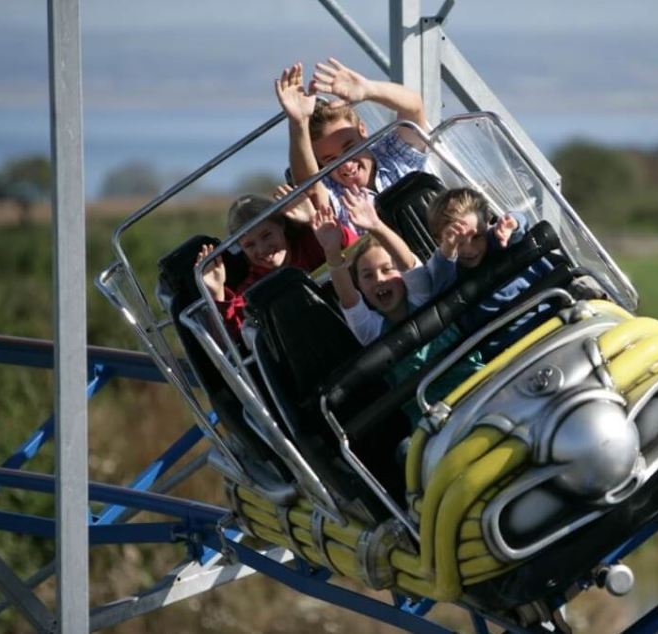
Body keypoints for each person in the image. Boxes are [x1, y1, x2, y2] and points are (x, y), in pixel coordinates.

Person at [312, 191, 482, 423]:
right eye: (368, 276)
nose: (380, 280)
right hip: (432, 416)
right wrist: (332, 252)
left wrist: (374, 225)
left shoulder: (423, 296)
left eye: (387, 269)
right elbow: (349, 299)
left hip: (476, 385)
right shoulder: (371, 331)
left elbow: (407, 262)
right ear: (360, 286)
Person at [275, 59, 428, 232]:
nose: (346, 165)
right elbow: (310, 188)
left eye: (349, 149)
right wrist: (299, 123)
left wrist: (369, 90)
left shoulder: (392, 152)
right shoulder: (332, 192)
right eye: (331, 160)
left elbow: (414, 107)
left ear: (362, 130)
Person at [196, 187, 357, 339]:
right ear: (241, 249)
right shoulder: (251, 288)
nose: (262, 249)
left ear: (281, 225)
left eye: (266, 235)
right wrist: (216, 293)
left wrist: (313, 220)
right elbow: (234, 339)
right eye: (249, 245)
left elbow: (358, 254)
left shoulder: (313, 242)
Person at [426, 187, 555, 360]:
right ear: (440, 241)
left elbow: (519, 225)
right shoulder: (447, 270)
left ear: (487, 222)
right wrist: (448, 251)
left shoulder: (496, 240)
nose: (468, 249)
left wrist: (511, 225)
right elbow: (440, 283)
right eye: (458, 242)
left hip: (553, 311)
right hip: (511, 350)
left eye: (476, 237)